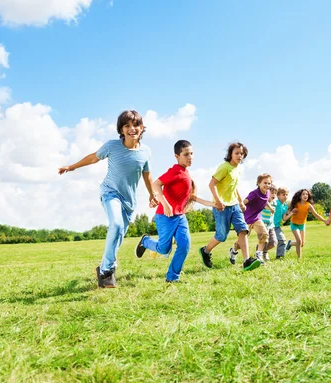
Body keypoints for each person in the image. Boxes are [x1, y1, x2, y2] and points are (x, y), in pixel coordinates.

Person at [58, 110, 158, 288]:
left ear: (142, 128)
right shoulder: (112, 146)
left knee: (118, 236)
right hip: (110, 192)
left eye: (135, 125)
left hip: (129, 201)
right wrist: (72, 167)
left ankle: (104, 267)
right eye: (127, 126)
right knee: (117, 225)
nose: (132, 129)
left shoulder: (146, 152)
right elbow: (93, 158)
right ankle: (106, 272)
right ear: (121, 130)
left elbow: (147, 175)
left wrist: (152, 194)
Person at [135, 140, 214, 283]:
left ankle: (172, 278)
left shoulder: (186, 173)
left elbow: (188, 196)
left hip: (180, 217)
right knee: (164, 249)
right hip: (165, 216)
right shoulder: (175, 171)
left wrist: (212, 204)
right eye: (186, 154)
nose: (190, 157)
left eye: (191, 153)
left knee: (184, 245)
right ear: (177, 156)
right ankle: (146, 241)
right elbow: (156, 184)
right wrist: (165, 204)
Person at [199, 142, 262, 271]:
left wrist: (240, 201)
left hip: (234, 205)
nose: (239, 155)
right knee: (222, 235)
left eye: (241, 153)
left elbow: (234, 187)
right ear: (230, 154)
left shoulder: (238, 169)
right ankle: (205, 251)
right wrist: (218, 201)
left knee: (243, 229)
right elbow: (212, 184)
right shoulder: (224, 167)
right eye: (236, 153)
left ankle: (246, 261)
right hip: (221, 207)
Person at [229, 174, 273, 265]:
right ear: (258, 183)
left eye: (269, 183)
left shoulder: (267, 192)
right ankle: (233, 251)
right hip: (247, 219)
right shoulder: (254, 193)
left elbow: (265, 202)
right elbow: (245, 202)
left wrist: (271, 208)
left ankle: (259, 255)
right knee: (241, 242)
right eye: (265, 183)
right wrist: (239, 209)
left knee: (264, 234)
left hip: (257, 218)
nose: (267, 185)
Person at [285, 188, 328, 258]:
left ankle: (290, 243)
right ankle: (299, 258)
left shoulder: (308, 205)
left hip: (302, 225)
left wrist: (324, 221)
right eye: (303, 194)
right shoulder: (296, 204)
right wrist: (291, 212)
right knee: (299, 240)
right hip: (294, 224)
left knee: (301, 244)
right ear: (300, 196)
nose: (305, 196)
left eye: (306, 194)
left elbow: (316, 214)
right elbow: (288, 212)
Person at [258, 184, 278, 261]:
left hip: (270, 226)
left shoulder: (274, 203)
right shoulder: (262, 202)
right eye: (272, 193)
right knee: (264, 241)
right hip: (262, 225)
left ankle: (262, 250)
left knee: (273, 242)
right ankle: (262, 253)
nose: (274, 195)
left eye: (275, 193)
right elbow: (264, 206)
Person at [273, 186, 293, 259]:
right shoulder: (276, 203)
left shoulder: (285, 206)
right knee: (269, 242)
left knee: (282, 239)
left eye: (286, 194)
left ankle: (279, 256)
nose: (285, 196)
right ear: (278, 196)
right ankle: (261, 252)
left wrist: (291, 213)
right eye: (283, 194)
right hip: (269, 225)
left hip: (277, 226)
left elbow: (284, 218)